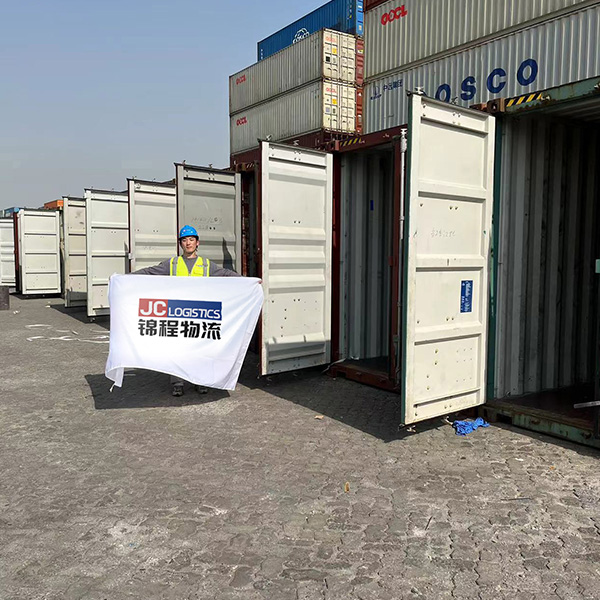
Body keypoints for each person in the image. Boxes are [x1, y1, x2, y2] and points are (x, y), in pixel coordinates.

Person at [133, 224, 241, 397]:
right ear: (180, 244)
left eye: (191, 239)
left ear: (197, 243)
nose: (188, 243)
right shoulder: (172, 264)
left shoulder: (206, 265)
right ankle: (178, 383)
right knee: (178, 350)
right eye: (184, 240)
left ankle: (200, 381)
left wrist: (248, 281)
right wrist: (125, 278)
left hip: (200, 315)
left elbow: (226, 274)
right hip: (177, 314)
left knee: (201, 350)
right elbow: (150, 272)